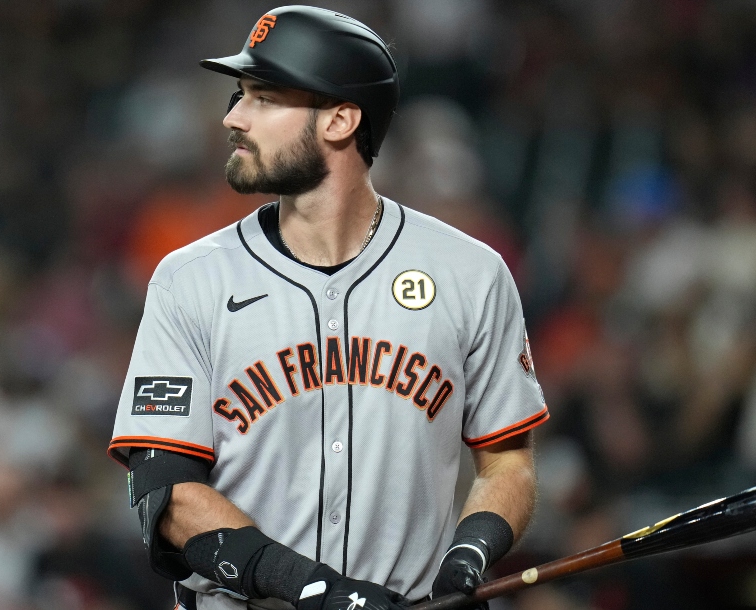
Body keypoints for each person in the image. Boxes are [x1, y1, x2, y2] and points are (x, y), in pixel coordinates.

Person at [107, 6, 548, 610]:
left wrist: (469, 551)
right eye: (240, 95)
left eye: (264, 97)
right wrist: (308, 586)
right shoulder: (189, 280)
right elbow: (165, 494)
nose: (234, 117)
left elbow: (508, 467)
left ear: (341, 119)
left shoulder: (471, 275)